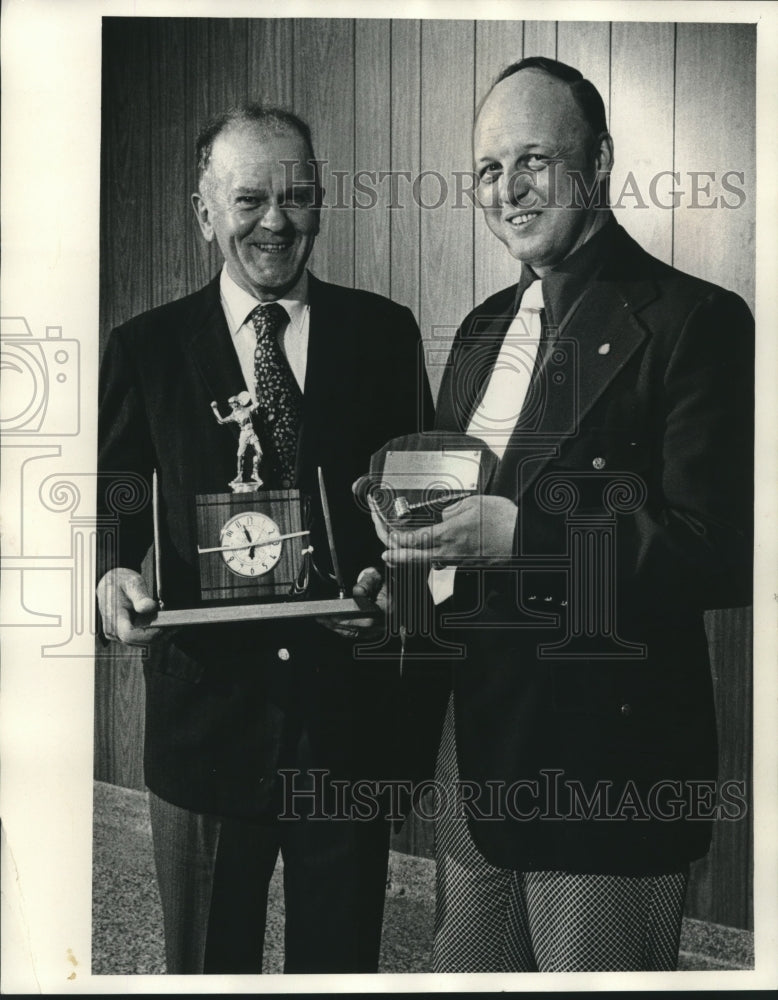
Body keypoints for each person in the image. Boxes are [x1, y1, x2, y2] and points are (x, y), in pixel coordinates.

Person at [371, 57, 753, 972]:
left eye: (534, 159)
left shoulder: (697, 322)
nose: (509, 190)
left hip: (605, 763)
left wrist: (521, 536)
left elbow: (723, 552)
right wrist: (405, 574)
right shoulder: (478, 329)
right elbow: (456, 512)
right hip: (477, 746)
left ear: (601, 160)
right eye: (490, 170)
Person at [96, 104, 432, 974]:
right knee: (209, 969)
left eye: (297, 196)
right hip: (204, 732)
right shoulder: (145, 349)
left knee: (339, 967)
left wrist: (397, 595)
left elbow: (418, 508)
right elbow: (114, 501)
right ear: (204, 212)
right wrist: (106, 577)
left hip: (347, 734)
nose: (276, 221)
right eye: (249, 200)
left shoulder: (385, 335)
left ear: (320, 203)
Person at [211, 392, 263, 487]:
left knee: (259, 453)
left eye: (233, 403)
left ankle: (255, 473)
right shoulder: (234, 415)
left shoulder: (247, 409)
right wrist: (215, 410)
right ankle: (239, 475)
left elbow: (258, 403)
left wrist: (256, 387)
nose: (231, 405)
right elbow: (221, 421)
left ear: (238, 402)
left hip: (251, 433)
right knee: (240, 455)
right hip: (243, 434)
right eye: (230, 404)